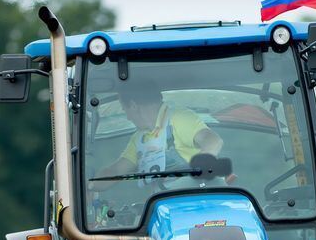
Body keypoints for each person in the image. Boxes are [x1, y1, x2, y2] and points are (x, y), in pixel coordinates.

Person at [91, 80, 223, 190]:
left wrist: (195, 167)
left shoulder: (179, 118)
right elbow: (115, 171)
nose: (128, 117)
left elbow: (213, 141)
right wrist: (89, 186)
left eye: (125, 109)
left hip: (199, 197)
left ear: (133, 105)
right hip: (167, 204)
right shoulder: (139, 139)